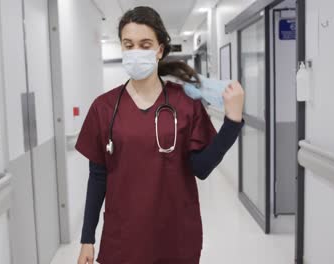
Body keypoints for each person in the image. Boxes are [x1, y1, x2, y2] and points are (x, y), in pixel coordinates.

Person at [76, 6, 245, 264]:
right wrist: (87, 238)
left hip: (174, 236)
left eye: (145, 44)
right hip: (124, 239)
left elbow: (201, 167)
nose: (135, 52)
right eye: (128, 44)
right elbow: (98, 177)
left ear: (160, 49)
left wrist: (232, 123)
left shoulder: (185, 103)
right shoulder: (104, 107)